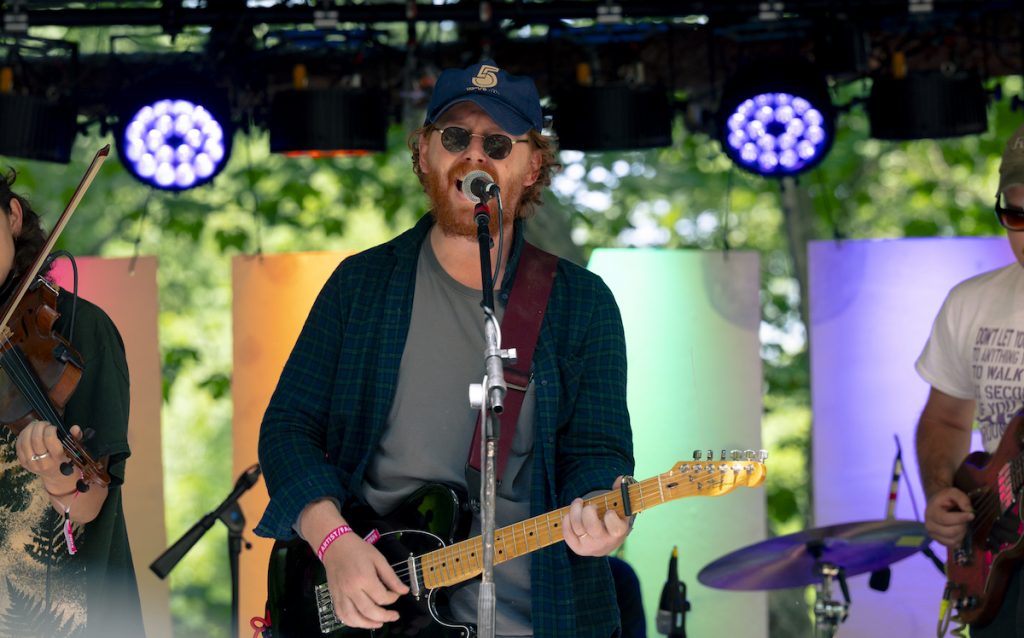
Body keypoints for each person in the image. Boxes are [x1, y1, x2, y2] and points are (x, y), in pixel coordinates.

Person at [257, 60, 634, 637]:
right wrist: (333, 540)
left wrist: (603, 509)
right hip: (382, 618)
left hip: (540, 619)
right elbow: (288, 428)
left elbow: (598, 453)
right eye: (455, 137)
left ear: (533, 166)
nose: (474, 155)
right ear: (424, 153)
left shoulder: (582, 303)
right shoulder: (361, 285)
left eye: (499, 143)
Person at [0, 170, 144, 638]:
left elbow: (91, 503)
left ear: (13, 216)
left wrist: (54, 474)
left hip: (65, 618)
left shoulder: (80, 332)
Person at [916, 123, 1024, 636]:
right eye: (1017, 215)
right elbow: (944, 417)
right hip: (998, 564)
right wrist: (942, 493)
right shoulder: (971, 301)